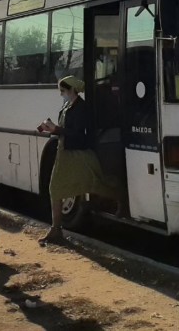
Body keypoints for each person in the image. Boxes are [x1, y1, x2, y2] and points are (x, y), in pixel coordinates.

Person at [37, 75, 119, 246]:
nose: (62, 94)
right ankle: (56, 229)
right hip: (64, 153)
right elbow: (65, 130)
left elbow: (79, 134)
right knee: (55, 189)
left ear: (73, 90)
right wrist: (51, 129)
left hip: (76, 155)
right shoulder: (68, 105)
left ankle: (120, 198)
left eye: (64, 91)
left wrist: (57, 129)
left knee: (94, 184)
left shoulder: (82, 108)